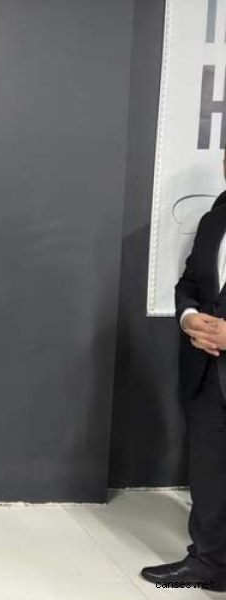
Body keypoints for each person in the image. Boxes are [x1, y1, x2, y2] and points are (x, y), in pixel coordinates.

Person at [140, 195, 226, 590]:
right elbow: (190, 283)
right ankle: (209, 562)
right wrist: (189, 318)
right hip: (207, 371)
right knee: (209, 474)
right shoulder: (215, 219)